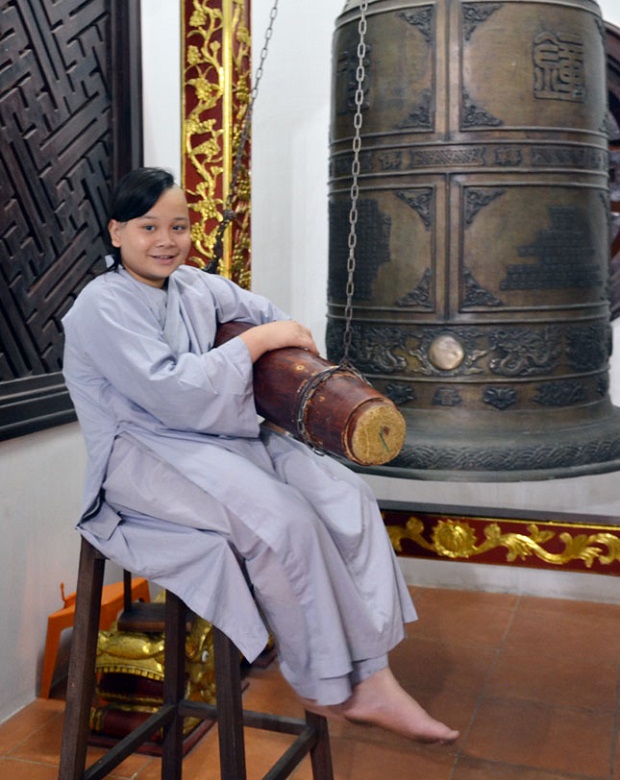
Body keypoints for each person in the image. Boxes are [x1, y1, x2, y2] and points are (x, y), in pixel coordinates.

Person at [62, 167, 459, 745]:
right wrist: (257, 342)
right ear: (117, 231)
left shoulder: (195, 286)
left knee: (345, 494)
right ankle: (327, 681)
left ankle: (369, 669)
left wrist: (283, 339)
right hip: (143, 453)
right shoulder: (101, 305)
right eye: (149, 227)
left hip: (219, 434)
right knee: (284, 522)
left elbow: (269, 317)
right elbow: (176, 391)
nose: (167, 240)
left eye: (179, 225)